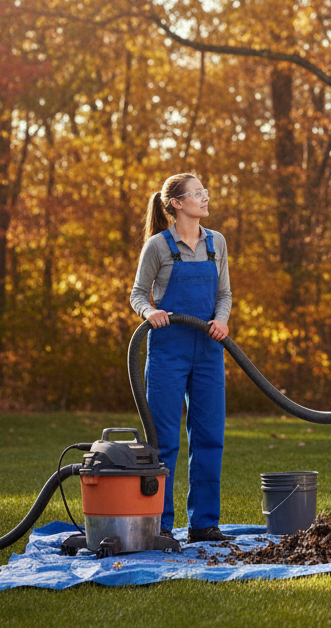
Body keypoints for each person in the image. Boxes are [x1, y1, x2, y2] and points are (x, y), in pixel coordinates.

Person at [130, 172, 233, 543]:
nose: (205, 197)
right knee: (164, 441)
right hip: (168, 351)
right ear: (177, 203)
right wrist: (149, 313)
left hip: (208, 350)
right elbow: (138, 294)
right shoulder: (158, 246)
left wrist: (221, 321)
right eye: (197, 193)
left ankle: (204, 523)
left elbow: (224, 293)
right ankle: (160, 526)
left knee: (209, 437)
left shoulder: (216, 242)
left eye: (205, 191)